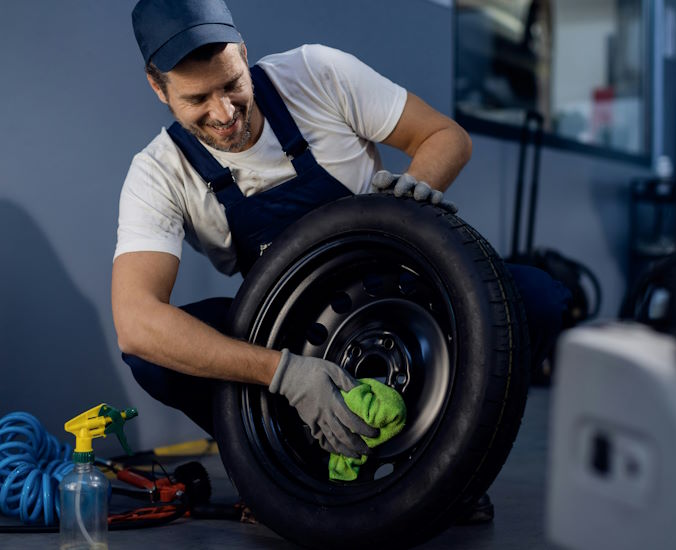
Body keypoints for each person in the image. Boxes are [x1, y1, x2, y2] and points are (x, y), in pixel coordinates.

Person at [114, 0, 569, 522]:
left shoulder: (317, 74)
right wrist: (284, 373)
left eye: (232, 84)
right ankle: (280, 467)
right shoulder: (158, 174)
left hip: (402, 297)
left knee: (536, 298)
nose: (223, 112)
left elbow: (445, 137)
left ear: (243, 52)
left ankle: (449, 467)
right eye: (197, 99)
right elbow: (136, 324)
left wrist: (415, 190)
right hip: (284, 338)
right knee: (156, 356)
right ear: (159, 88)